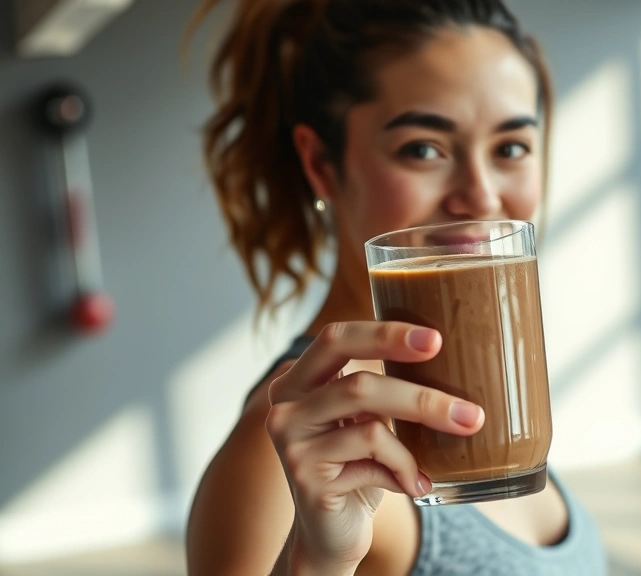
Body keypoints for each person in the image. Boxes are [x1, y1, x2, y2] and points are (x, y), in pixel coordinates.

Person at [183, 0, 607, 574]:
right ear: (322, 166)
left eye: (510, 148)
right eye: (423, 149)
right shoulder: (284, 454)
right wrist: (314, 561)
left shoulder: (494, 406)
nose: (480, 196)